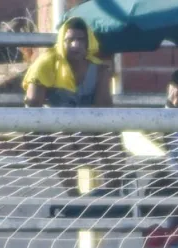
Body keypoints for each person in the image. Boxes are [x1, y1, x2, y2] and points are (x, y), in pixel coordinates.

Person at [22, 17, 116, 196]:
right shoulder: (46, 64)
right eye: (69, 40)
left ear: (88, 43)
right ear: (61, 41)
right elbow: (33, 106)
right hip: (54, 128)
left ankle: (113, 195)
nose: (75, 45)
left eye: (81, 40)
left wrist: (85, 126)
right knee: (63, 141)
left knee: (111, 142)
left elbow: (103, 108)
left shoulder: (99, 70)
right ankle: (74, 199)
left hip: (88, 127)